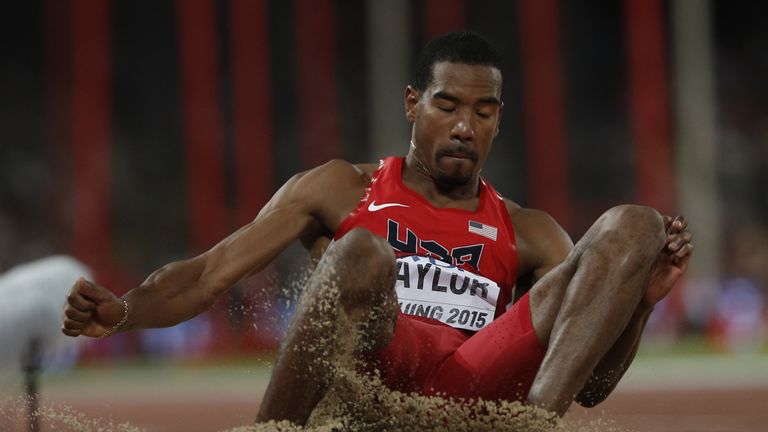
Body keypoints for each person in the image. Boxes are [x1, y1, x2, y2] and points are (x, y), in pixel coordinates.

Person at [62, 31, 693, 426]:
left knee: (634, 224)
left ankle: (531, 430)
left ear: (500, 119)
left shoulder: (528, 231)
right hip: (376, 373)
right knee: (360, 251)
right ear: (414, 104)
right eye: (447, 106)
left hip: (476, 385)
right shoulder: (342, 188)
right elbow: (206, 275)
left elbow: (593, 385)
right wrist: (122, 312)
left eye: (482, 111)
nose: (464, 128)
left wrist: (637, 306)